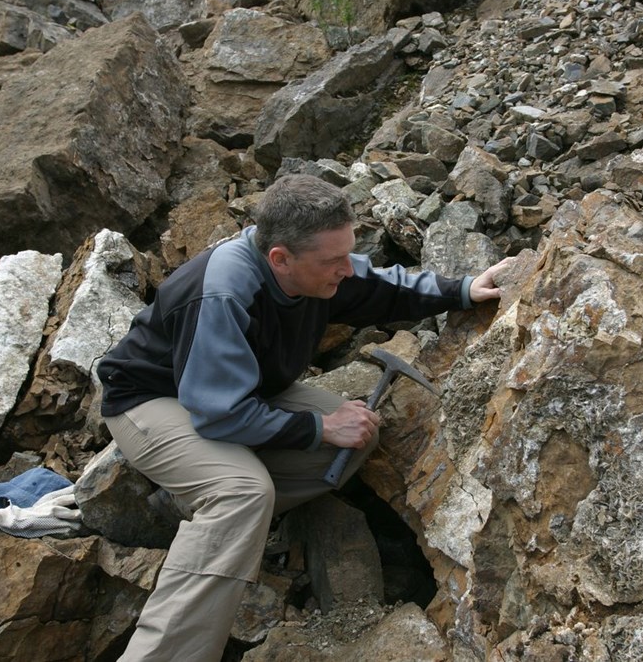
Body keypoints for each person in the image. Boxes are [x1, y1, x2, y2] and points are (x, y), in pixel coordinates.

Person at [97, 173, 511, 661]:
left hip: (241, 394)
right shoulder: (225, 293)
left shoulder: (319, 271)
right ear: (280, 259)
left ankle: (199, 509)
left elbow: (379, 287)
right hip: (153, 401)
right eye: (333, 261)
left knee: (354, 438)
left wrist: (462, 289)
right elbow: (216, 413)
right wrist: (317, 426)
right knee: (243, 492)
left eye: (347, 253)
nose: (345, 270)